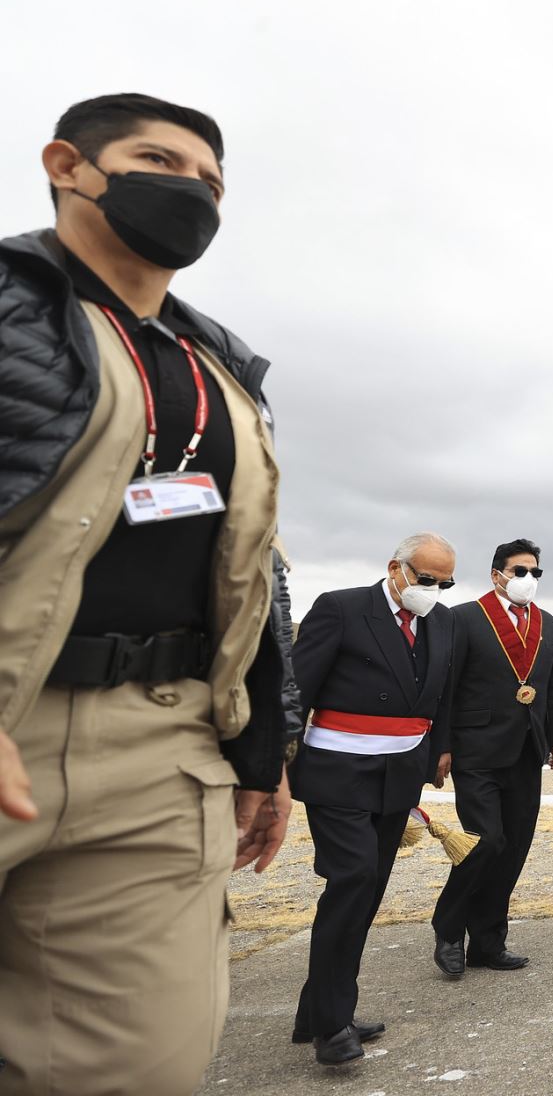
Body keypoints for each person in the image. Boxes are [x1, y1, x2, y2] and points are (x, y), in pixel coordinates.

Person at [0, 93, 298, 1093]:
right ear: (70, 165)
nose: (191, 191)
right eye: (158, 160)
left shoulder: (224, 371)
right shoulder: (14, 306)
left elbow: (253, 568)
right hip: (13, 717)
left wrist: (263, 748)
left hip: (159, 751)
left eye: (211, 182)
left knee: (143, 1061)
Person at [288, 535, 459, 1065]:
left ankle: (318, 1008)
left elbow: (440, 696)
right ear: (396, 569)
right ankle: (332, 1026)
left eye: (444, 583)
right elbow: (297, 690)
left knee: (367, 890)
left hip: (398, 777)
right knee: (354, 878)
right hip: (339, 772)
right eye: (425, 579)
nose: (433, 591)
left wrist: (438, 752)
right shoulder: (340, 609)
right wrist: (276, 765)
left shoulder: (442, 623)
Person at [432, 538, 553, 977]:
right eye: (520, 571)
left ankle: (489, 942)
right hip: (477, 750)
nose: (528, 579)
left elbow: (552, 685)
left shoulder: (547, 623)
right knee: (485, 841)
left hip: (527, 750)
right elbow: (446, 687)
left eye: (535, 572)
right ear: (497, 575)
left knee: (513, 849)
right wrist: (443, 745)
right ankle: (449, 929)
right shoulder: (465, 618)